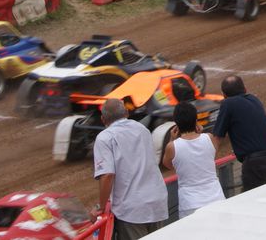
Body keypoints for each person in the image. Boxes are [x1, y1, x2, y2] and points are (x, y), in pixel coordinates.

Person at [93, 98, 168, 239]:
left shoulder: (104, 138)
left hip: (132, 209)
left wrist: (100, 207)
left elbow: (107, 175)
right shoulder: (143, 129)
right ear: (126, 113)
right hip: (157, 201)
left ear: (103, 119)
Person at [210, 75, 266, 192]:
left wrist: (207, 161)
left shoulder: (228, 104)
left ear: (224, 95)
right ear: (245, 89)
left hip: (256, 164)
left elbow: (217, 137)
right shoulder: (254, 99)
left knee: (250, 203)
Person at [161, 102, 225, 219]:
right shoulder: (210, 138)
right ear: (196, 120)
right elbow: (209, 156)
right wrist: (200, 133)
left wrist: (171, 139)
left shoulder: (172, 147)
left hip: (190, 204)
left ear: (176, 124)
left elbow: (168, 165)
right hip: (216, 197)